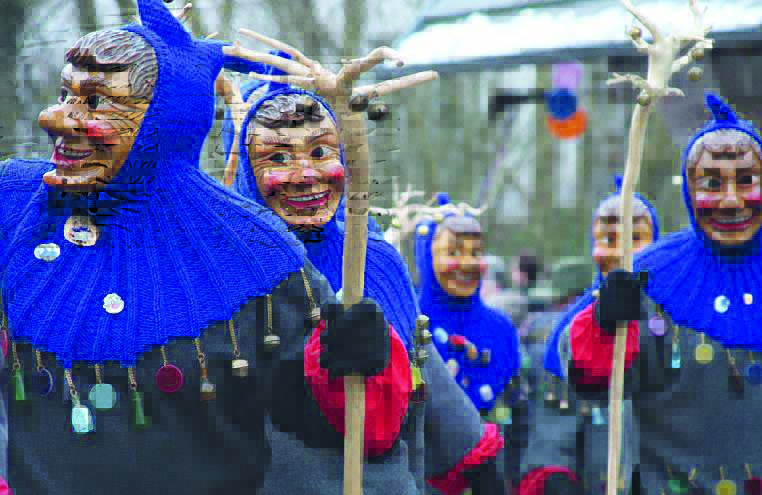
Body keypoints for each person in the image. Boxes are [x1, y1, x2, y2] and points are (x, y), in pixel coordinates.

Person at [1, 1, 409, 493]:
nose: (54, 118)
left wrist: (355, 361)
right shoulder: (16, 205)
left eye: (96, 101)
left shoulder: (254, 247)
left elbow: (338, 427)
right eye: (66, 95)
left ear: (164, 120)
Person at [221, 47, 506, 494]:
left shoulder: (375, 258)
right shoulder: (229, 270)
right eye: (277, 158)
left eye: (320, 151)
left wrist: (473, 455)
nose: (305, 174)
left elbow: (419, 359)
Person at [564, 93, 762, 494]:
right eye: (712, 184)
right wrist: (603, 323)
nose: (731, 201)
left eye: (746, 181)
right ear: (689, 191)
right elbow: (592, 384)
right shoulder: (646, 276)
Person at [517, 179, 659, 495]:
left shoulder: (676, 320)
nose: (621, 253)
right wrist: (555, 473)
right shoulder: (571, 329)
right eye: (609, 240)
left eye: (634, 239)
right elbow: (554, 430)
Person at [413, 198, 526, 489]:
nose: (467, 263)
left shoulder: (501, 329)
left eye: (475, 252)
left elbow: (518, 410)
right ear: (427, 257)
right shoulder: (408, 321)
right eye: (453, 252)